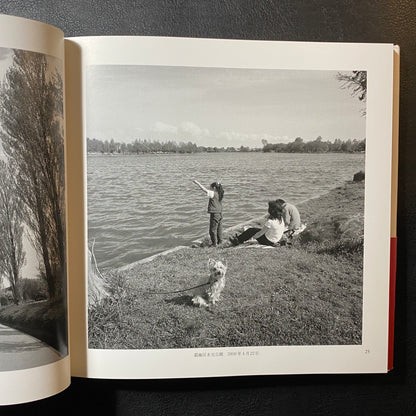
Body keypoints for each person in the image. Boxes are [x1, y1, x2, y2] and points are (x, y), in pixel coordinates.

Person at [193, 180, 224, 246]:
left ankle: (214, 244)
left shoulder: (213, 193)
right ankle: (220, 242)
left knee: (212, 230)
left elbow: (203, 189)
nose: (210, 189)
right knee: (219, 228)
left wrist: (197, 183)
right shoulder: (220, 193)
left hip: (215, 213)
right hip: (220, 213)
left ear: (214, 188)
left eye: (211, 188)